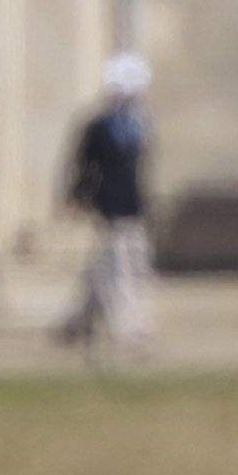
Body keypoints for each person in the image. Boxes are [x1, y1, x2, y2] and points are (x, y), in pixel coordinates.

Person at [57, 55, 155, 358]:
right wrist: (75, 200)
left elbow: (141, 168)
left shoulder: (140, 124)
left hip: (132, 204)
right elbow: (83, 166)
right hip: (107, 204)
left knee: (117, 266)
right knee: (119, 267)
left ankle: (77, 322)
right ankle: (129, 327)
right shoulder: (99, 126)